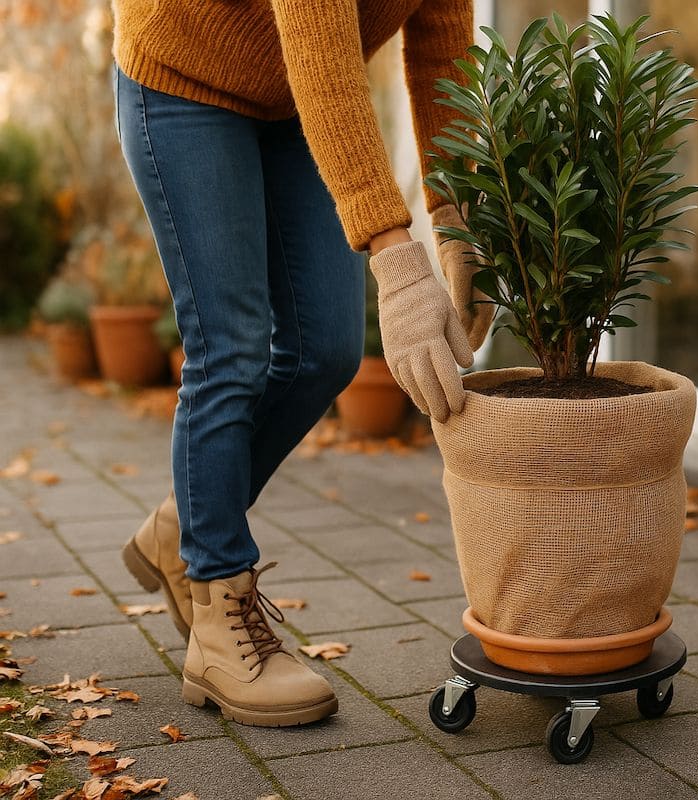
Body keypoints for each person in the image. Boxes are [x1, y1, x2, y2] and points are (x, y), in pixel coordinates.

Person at [112, 0, 491, 727]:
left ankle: (185, 525)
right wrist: (400, 265)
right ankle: (219, 616)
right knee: (230, 345)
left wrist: (457, 219)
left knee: (327, 348)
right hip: (182, 77)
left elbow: (444, 49)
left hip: (289, 98)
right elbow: (323, 53)